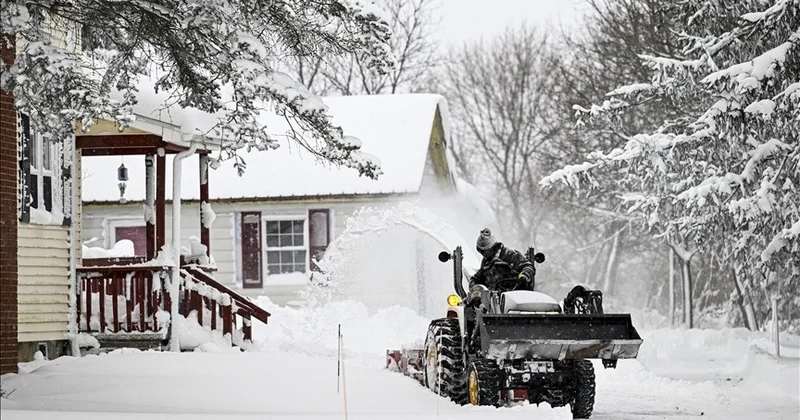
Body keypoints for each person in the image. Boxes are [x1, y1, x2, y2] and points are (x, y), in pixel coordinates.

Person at [469, 228, 535, 291]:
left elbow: (528, 266)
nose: (484, 255)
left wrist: (524, 277)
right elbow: (476, 279)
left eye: (485, 251)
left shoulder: (509, 254)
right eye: (481, 251)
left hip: (515, 295)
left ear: (493, 247)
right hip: (495, 299)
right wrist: (476, 290)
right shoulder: (486, 262)